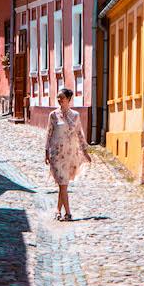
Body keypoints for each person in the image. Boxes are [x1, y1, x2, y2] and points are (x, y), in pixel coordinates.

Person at [45, 88, 91, 221]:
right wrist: (46, 151)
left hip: (69, 154)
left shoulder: (75, 115)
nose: (59, 100)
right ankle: (68, 213)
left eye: (62, 98)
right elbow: (48, 133)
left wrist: (85, 152)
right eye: (58, 97)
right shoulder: (53, 115)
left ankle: (58, 211)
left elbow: (79, 134)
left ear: (68, 99)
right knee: (62, 183)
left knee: (63, 184)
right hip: (56, 153)